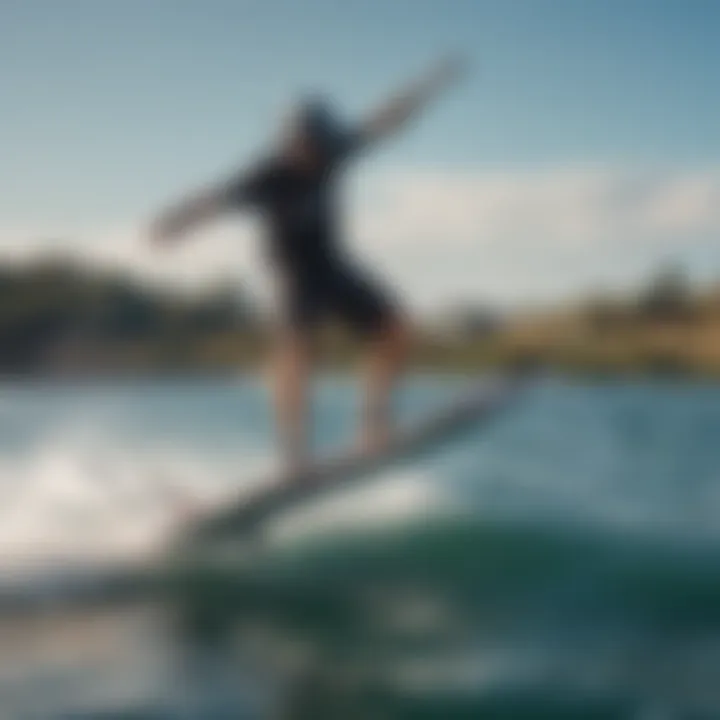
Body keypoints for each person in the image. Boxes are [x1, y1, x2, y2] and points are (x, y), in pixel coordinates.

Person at [150, 55, 466, 473]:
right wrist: (175, 223)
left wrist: (427, 89)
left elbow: (383, 121)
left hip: (331, 263)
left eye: (319, 146)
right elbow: (215, 201)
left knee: (395, 330)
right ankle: (292, 452)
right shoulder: (265, 175)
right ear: (289, 141)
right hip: (291, 270)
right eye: (305, 147)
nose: (314, 156)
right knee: (297, 347)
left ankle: (373, 424)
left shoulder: (335, 149)